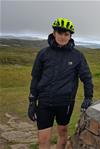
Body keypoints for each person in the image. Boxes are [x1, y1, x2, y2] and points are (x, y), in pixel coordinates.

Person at [27, 18, 93, 149]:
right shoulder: (43, 54)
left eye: (66, 34)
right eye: (60, 33)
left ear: (70, 36)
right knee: (43, 139)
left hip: (65, 103)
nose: (63, 37)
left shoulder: (77, 56)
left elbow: (86, 78)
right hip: (45, 102)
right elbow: (35, 78)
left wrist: (88, 97)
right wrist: (32, 102)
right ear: (54, 33)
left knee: (62, 134)